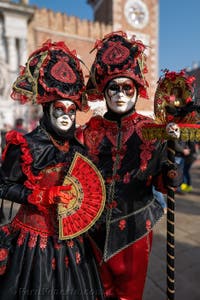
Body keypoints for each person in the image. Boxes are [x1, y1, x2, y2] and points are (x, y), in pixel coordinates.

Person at [78, 31, 181, 300]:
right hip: (93, 233)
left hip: (134, 229)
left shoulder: (153, 130)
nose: (120, 95)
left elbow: (161, 180)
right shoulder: (90, 130)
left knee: (129, 295)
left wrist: (170, 175)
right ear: (104, 91)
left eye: (127, 88)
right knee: (96, 292)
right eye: (114, 88)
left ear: (137, 90)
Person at [0, 40, 106, 299]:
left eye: (71, 110)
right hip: (33, 242)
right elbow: (3, 185)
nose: (66, 116)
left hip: (73, 242)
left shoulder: (78, 150)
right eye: (59, 109)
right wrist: (39, 196)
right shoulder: (25, 145)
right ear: (47, 109)